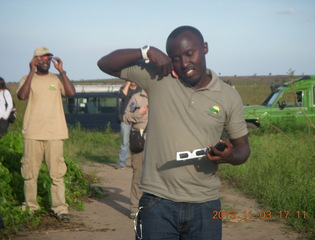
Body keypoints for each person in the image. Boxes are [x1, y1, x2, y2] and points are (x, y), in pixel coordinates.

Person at [97, 26, 250, 240]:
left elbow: (243, 147)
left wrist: (230, 156)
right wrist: (146, 51)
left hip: (205, 205)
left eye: (190, 53)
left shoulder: (227, 96)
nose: (184, 63)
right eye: (176, 57)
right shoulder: (159, 77)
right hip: (157, 204)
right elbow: (105, 64)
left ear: (205, 48)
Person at [17, 46, 75, 222]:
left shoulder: (56, 80)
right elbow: (22, 96)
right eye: (41, 58)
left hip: (55, 133)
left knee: (57, 174)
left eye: (48, 58)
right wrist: (31, 72)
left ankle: (60, 208)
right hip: (33, 133)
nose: (45, 61)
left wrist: (62, 72)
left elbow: (71, 93)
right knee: (30, 173)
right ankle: (31, 207)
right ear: (34, 60)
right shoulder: (26, 79)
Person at [123, 90, 148, 219]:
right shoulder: (136, 98)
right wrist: (139, 113)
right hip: (140, 140)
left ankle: (151, 207)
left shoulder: (161, 95)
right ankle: (134, 208)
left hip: (158, 141)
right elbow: (126, 117)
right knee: (138, 174)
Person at [117, 81, 141, 169]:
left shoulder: (141, 89)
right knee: (125, 141)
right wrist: (127, 84)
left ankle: (138, 162)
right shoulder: (123, 88)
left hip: (139, 119)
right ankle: (122, 162)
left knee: (139, 141)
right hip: (126, 119)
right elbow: (122, 96)